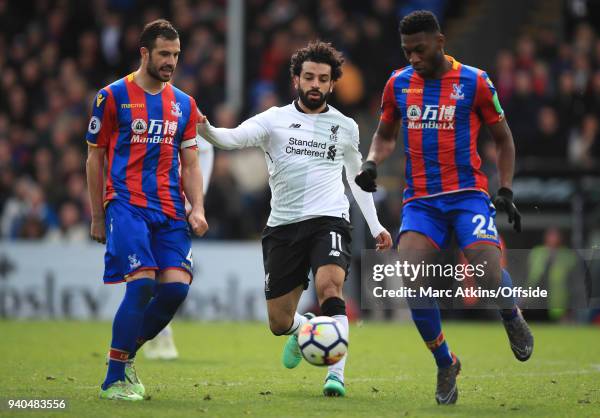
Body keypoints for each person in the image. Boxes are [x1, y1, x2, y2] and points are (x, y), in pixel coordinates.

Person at [354, 11, 534, 405]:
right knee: (412, 275)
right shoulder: (398, 84)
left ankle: (510, 315)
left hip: (467, 193)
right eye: (406, 51)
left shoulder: (475, 81)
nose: (413, 58)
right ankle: (444, 361)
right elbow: (385, 135)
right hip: (421, 200)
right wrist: (371, 162)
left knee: (486, 272)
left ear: (439, 41)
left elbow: (503, 139)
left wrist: (506, 188)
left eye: (419, 49)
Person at [198, 41, 393, 397]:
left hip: (330, 219)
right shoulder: (274, 120)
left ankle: (336, 375)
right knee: (279, 322)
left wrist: (377, 225)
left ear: (333, 83)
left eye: (323, 78)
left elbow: (356, 179)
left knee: (330, 288)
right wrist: (205, 128)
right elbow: (233, 138)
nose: (315, 84)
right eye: (309, 77)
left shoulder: (345, 126)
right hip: (284, 226)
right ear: (296, 80)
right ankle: (306, 330)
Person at [86, 19, 208, 401]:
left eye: (176, 54)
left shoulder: (184, 104)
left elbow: (190, 163)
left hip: (170, 210)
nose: (171, 61)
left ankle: (123, 358)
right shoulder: (112, 96)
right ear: (144, 53)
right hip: (127, 205)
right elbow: (95, 157)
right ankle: (113, 380)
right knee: (140, 284)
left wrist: (198, 208)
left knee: (174, 290)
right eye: (164, 54)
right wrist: (96, 214)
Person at [143, 135, 214, 360]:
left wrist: (195, 203)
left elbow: (204, 149)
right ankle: (153, 333)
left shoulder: (183, 109)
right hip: (143, 202)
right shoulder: (138, 106)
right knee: (144, 273)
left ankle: (158, 331)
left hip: (175, 207)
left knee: (170, 279)